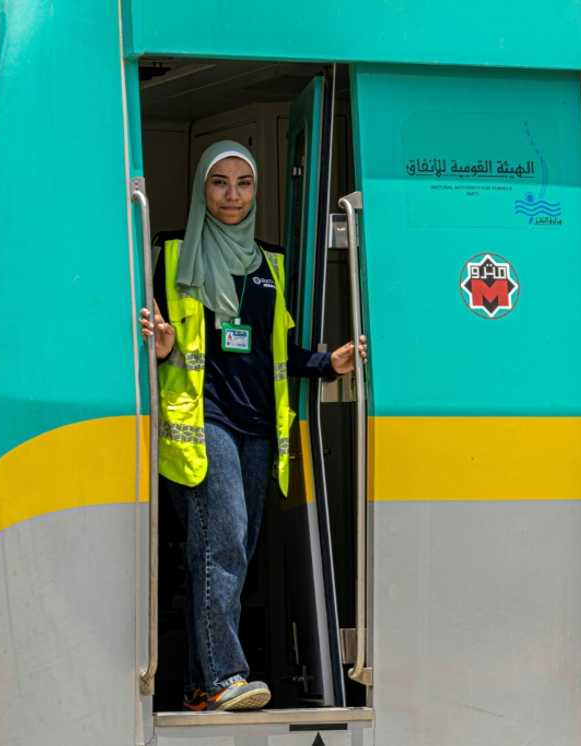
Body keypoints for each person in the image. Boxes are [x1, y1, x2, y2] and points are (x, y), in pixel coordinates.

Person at [140, 140, 367, 712]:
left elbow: (278, 348)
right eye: (220, 183)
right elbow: (151, 335)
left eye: (244, 183)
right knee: (225, 546)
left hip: (260, 429)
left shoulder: (272, 264)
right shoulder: (166, 253)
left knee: (226, 549)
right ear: (201, 189)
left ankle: (199, 684)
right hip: (203, 420)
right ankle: (223, 675)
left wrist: (325, 362)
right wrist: (162, 350)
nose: (233, 195)